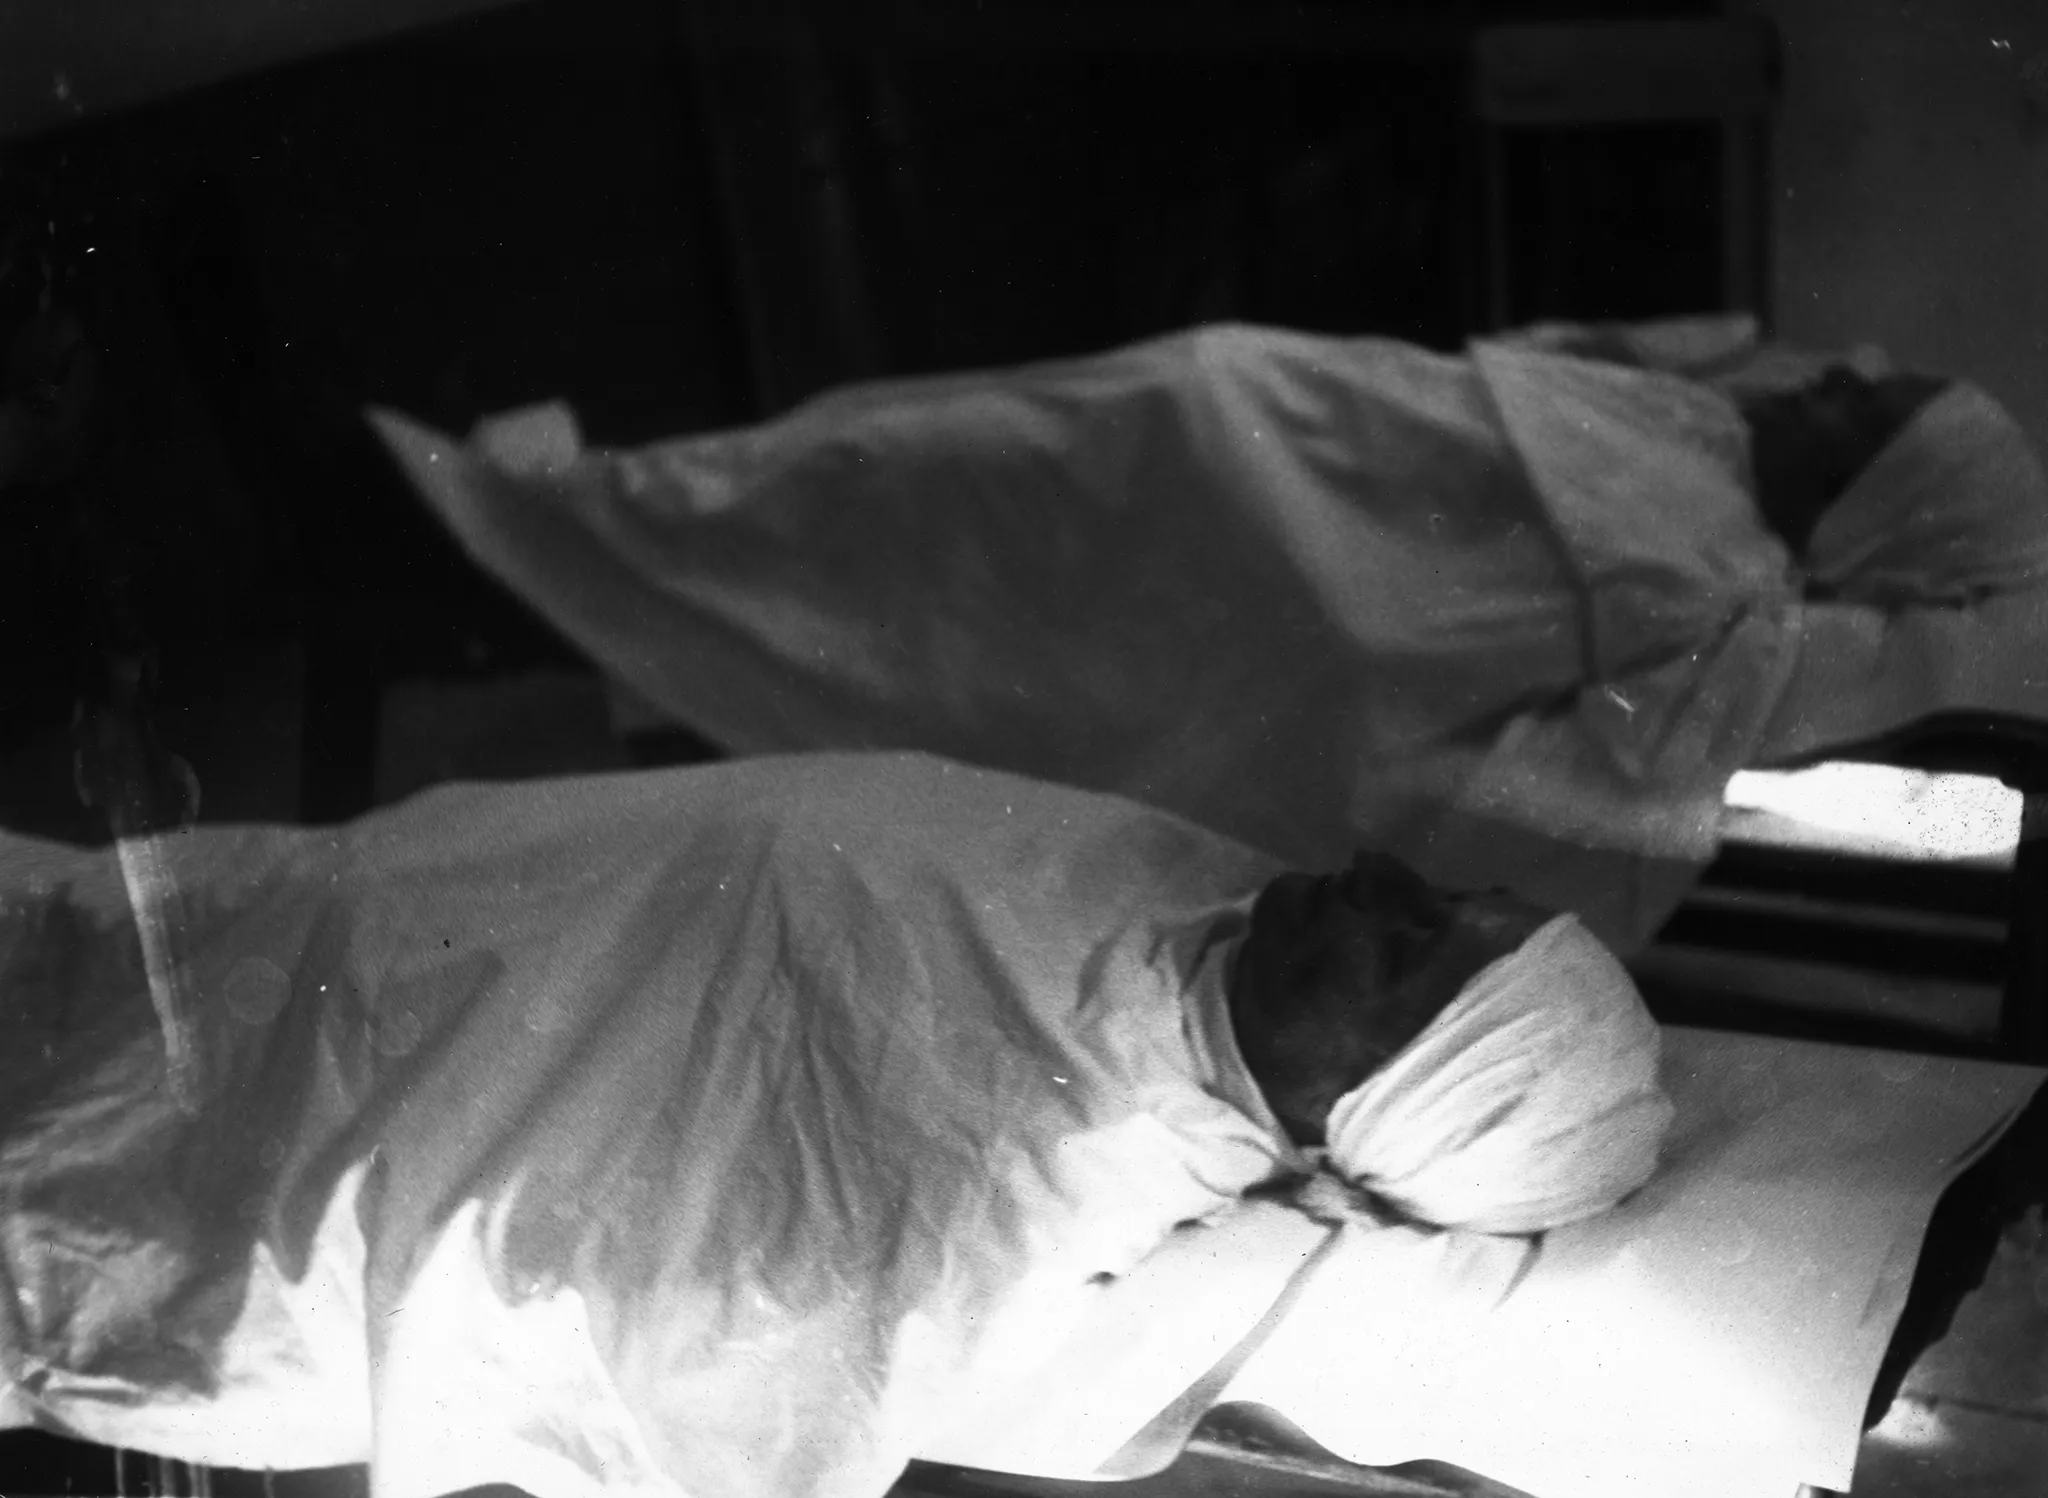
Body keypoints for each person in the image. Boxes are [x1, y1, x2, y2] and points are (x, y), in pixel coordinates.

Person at [0, 751, 1670, 1498]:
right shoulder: (1196, 893)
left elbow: (734, 1372)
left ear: (1378, 1097)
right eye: (1440, 893)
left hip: (295, 1145)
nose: (1379, 875)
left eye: (1407, 948)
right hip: (349, 910)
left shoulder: (1037, 1174)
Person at [368, 318, 2048, 954]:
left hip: (1220, 614)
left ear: (1881, 511)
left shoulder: (1738, 622)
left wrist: (1340, 710)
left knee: (906, 645)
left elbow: (1549, 800)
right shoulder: (1696, 414)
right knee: (866, 473)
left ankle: (545, 610)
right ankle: (575, 529)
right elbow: (1470, 384)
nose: (1831, 384)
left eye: (1865, 416)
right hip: (1168, 440)